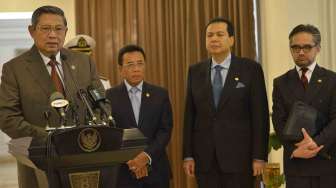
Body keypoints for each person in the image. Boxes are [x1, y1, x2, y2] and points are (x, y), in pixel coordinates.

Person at [0, 5, 103, 188]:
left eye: (58, 29)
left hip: (83, 160)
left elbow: (102, 104)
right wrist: (49, 137)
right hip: (38, 161)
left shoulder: (83, 62)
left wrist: (89, 134)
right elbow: (7, 118)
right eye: (45, 29)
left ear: (66, 31)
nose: (53, 35)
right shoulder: (14, 69)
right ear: (32, 31)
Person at [182, 17, 269, 188]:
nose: (214, 39)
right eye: (209, 35)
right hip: (205, 160)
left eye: (220, 34)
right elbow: (189, 115)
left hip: (240, 159)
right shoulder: (195, 71)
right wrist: (188, 155)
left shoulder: (250, 69)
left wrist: (259, 156)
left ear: (231, 40)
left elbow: (260, 115)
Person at [272, 24, 336, 188]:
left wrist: (314, 144)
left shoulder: (332, 80)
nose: (300, 52)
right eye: (295, 47)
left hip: (326, 161)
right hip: (296, 164)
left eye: (307, 47)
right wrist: (295, 149)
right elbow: (279, 122)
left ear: (318, 48)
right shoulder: (281, 83)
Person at [106, 44, 173, 188]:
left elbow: (165, 130)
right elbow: (109, 134)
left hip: (156, 170)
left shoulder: (160, 94)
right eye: (130, 64)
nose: (136, 69)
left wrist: (145, 156)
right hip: (123, 173)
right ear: (120, 69)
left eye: (140, 63)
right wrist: (131, 159)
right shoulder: (109, 97)